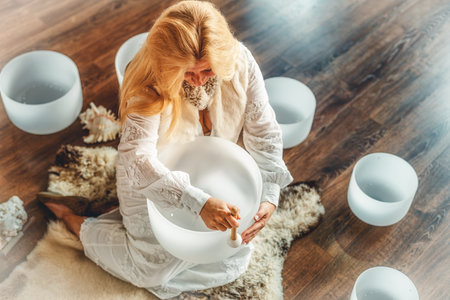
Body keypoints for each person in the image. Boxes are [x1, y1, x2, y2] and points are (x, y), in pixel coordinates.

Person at [44, 1, 293, 298]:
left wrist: (270, 194)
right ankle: (76, 222)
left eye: (207, 70)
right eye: (188, 73)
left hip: (211, 169)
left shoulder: (241, 63)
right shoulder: (148, 81)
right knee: (150, 270)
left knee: (235, 251)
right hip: (151, 179)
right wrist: (196, 202)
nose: (199, 81)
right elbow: (138, 160)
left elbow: (263, 130)